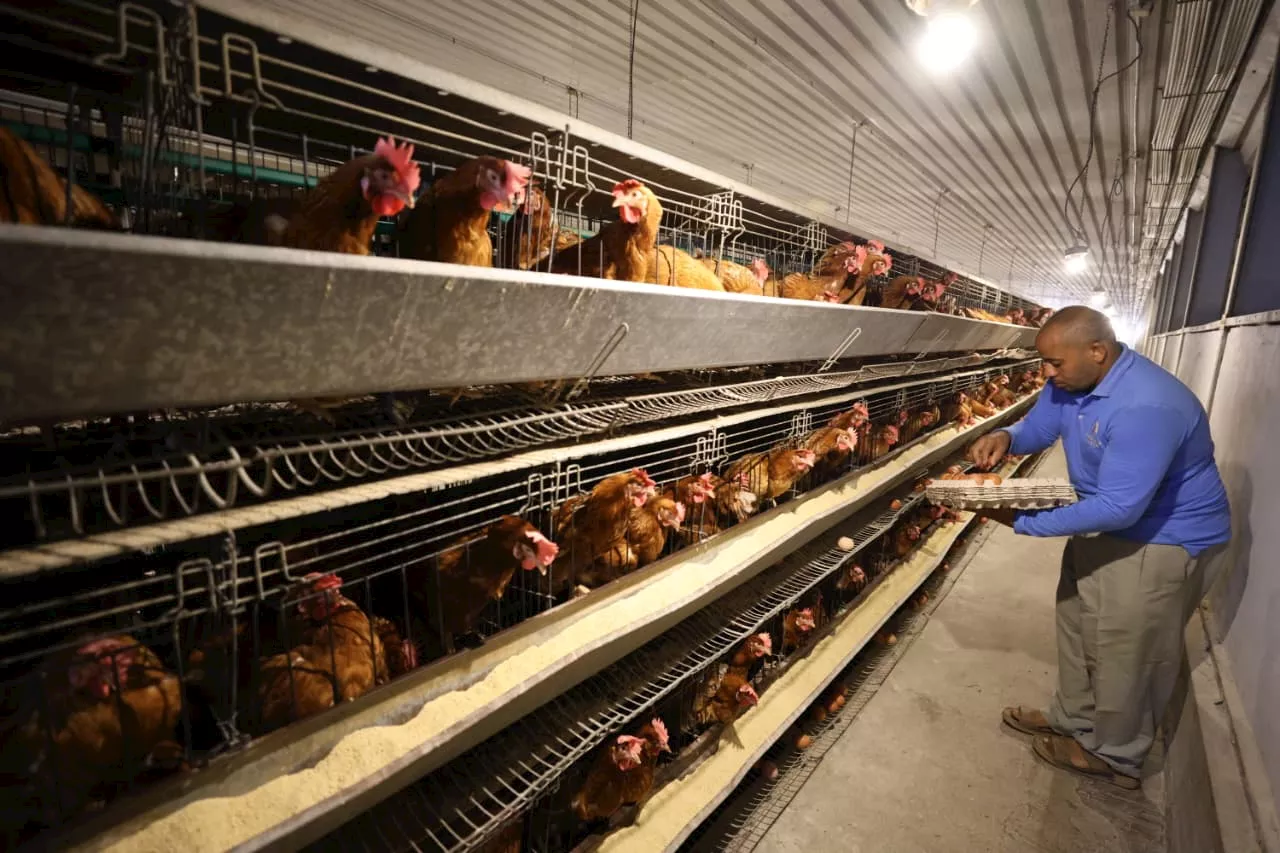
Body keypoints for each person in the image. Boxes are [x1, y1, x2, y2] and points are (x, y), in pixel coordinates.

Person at [967, 306, 1230, 789]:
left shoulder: (1147, 406)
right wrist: (1007, 435)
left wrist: (1024, 521)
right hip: (1104, 520)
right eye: (1044, 363)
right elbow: (1041, 428)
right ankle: (1074, 720)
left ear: (1098, 351)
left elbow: (1119, 508)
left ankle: (1116, 755)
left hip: (1161, 538)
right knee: (1077, 621)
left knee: (1129, 650)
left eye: (1055, 363)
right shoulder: (1072, 381)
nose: (1047, 373)